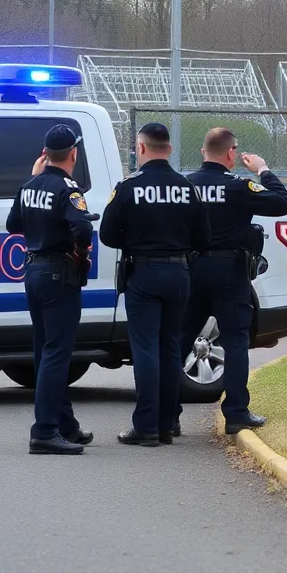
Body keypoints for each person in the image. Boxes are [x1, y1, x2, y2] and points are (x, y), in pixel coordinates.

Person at [100, 123, 210, 447]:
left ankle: (146, 426)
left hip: (144, 275)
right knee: (171, 346)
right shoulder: (187, 187)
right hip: (179, 275)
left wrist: (134, 241)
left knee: (145, 349)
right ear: (170, 149)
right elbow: (203, 238)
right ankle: (167, 423)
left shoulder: (129, 187)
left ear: (141, 148)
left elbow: (107, 235)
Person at [177, 127, 287, 437]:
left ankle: (167, 415)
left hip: (193, 268)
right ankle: (237, 414)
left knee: (179, 339)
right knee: (236, 341)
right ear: (231, 154)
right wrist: (262, 169)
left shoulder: (184, 186)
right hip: (230, 271)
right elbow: (283, 203)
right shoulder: (239, 186)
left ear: (204, 152)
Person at [5, 124, 95, 456]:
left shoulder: (30, 186)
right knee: (57, 354)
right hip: (59, 274)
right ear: (73, 153)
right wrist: (80, 251)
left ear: (45, 155)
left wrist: (31, 181)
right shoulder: (69, 189)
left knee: (45, 352)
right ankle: (44, 431)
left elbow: (13, 225)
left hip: (33, 271)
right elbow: (83, 227)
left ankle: (66, 425)